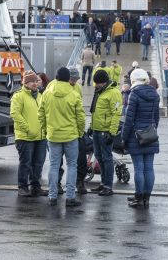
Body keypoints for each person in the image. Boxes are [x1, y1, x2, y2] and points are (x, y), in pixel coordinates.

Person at [38, 67, 86, 207]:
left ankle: (52, 197)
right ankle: (70, 197)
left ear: (57, 78)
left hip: (53, 136)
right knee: (72, 165)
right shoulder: (74, 94)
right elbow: (81, 117)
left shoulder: (47, 93)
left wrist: (46, 129)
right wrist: (79, 132)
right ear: (68, 79)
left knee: (53, 166)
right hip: (71, 136)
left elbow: (40, 114)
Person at [122, 68, 160, 208]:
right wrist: (152, 130)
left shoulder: (134, 94)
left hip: (136, 136)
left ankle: (138, 197)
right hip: (150, 134)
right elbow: (156, 118)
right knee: (149, 168)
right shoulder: (155, 94)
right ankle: (146, 198)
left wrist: (124, 137)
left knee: (139, 168)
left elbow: (129, 119)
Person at [11, 71, 47, 197]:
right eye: (32, 81)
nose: (35, 84)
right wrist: (27, 128)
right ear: (25, 83)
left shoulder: (40, 96)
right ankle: (22, 187)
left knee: (38, 163)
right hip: (25, 137)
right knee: (26, 163)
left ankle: (35, 186)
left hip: (41, 136)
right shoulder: (18, 96)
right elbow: (15, 114)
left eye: (36, 81)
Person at [90, 69, 123, 196]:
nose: (95, 85)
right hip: (97, 130)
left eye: (97, 83)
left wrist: (112, 132)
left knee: (107, 158)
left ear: (103, 82)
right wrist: (91, 126)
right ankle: (103, 183)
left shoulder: (114, 93)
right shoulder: (99, 92)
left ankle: (108, 186)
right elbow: (95, 112)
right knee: (99, 157)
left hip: (105, 131)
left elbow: (116, 114)